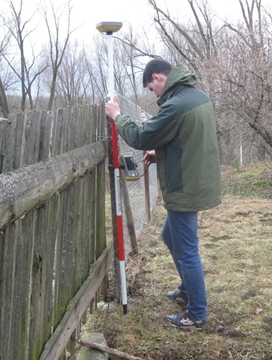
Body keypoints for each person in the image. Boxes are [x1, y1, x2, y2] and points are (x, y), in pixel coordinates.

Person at [105, 58, 221, 330]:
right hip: (195, 178)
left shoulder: (176, 104)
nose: (153, 94)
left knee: (186, 248)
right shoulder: (197, 96)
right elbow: (189, 139)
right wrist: (162, 153)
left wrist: (117, 115)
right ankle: (187, 291)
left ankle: (196, 314)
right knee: (170, 236)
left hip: (184, 186)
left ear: (158, 78)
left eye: (150, 88)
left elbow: (141, 137)